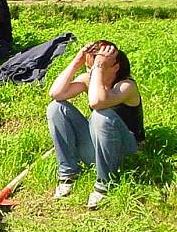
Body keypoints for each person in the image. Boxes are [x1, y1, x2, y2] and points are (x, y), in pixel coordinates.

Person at [47, 41, 144, 210]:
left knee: (102, 115)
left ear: (115, 67)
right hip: (98, 149)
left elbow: (97, 102)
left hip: (125, 151)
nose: (91, 73)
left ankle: (105, 185)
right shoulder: (90, 79)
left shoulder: (126, 86)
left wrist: (98, 66)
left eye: (97, 67)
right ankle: (68, 175)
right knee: (56, 107)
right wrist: (77, 61)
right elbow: (56, 93)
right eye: (88, 68)